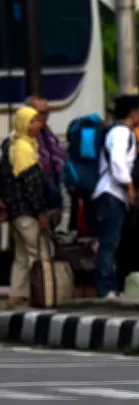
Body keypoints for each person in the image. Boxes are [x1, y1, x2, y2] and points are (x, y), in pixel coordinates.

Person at [92, 95, 139, 299]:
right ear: (131, 113)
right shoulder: (121, 132)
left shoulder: (120, 132)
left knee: (112, 242)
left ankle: (110, 286)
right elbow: (118, 162)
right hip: (110, 193)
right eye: (138, 111)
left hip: (111, 195)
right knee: (109, 243)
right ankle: (105, 289)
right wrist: (129, 186)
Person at [3, 107, 50, 309]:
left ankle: (17, 295)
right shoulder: (23, 148)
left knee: (21, 256)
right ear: (23, 124)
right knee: (39, 252)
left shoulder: (14, 145)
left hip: (16, 211)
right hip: (26, 212)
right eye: (33, 121)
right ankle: (40, 293)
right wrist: (40, 211)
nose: (38, 125)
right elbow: (30, 184)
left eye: (38, 121)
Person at [27, 96, 66, 214]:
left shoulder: (48, 133)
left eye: (46, 113)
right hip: (35, 192)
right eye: (41, 113)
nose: (44, 117)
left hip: (52, 186)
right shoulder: (23, 137)